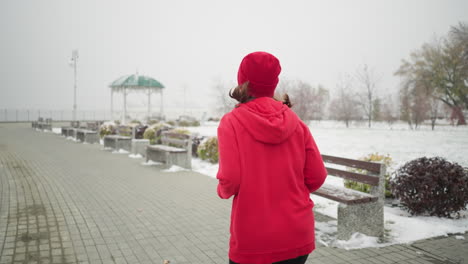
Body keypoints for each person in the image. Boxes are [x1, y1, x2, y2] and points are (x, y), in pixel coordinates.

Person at [216, 51, 328, 264]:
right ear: (273, 83)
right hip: (297, 235)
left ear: (242, 82)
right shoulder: (296, 123)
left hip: (254, 240)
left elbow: (230, 180)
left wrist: (222, 190)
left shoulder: (231, 122)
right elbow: (317, 177)